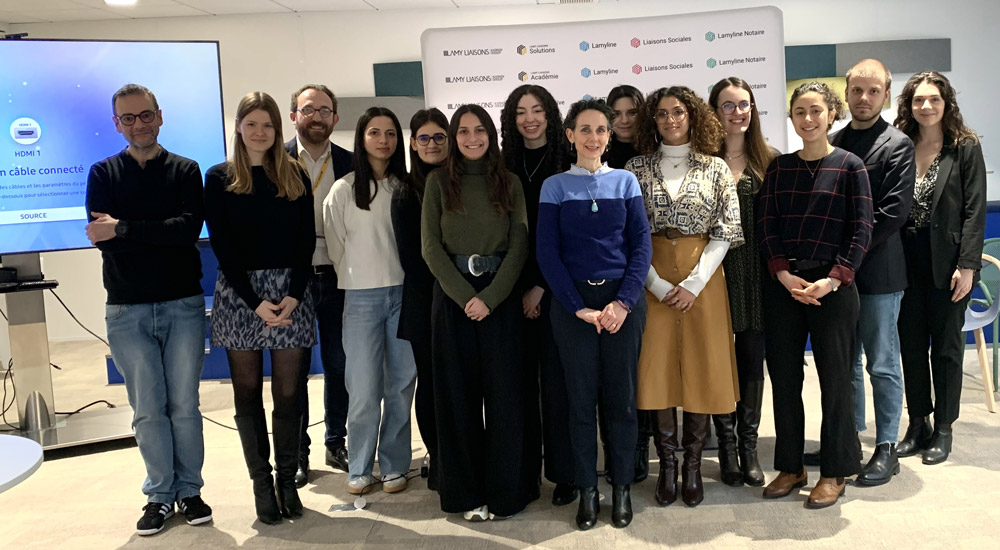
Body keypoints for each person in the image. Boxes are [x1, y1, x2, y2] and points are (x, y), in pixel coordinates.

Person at [85, 83, 212, 536]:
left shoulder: (185, 170)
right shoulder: (102, 173)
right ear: (116, 124)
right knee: (146, 410)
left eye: (145, 115)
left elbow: (186, 231)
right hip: (127, 308)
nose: (138, 124)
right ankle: (159, 495)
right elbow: (104, 237)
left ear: (160, 116)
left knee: (184, 406)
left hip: (183, 304)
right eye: (128, 118)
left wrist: (124, 229)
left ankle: (191, 491)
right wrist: (142, 232)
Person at [537, 98, 652, 530]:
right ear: (569, 135)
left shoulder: (626, 182)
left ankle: (621, 488)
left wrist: (622, 303)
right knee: (580, 403)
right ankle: (588, 489)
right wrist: (575, 306)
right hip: (573, 308)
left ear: (609, 135)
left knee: (621, 402)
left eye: (601, 130)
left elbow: (641, 247)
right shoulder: (554, 187)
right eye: (584, 129)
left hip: (623, 303)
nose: (594, 137)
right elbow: (547, 253)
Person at [626, 86, 743, 508]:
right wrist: (654, 284)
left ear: (693, 116)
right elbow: (628, 234)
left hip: (703, 280)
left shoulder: (715, 168)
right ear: (651, 121)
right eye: (661, 114)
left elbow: (727, 229)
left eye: (678, 112)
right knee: (655, 371)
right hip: (649, 276)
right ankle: (668, 467)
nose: (671, 119)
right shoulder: (635, 168)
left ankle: (693, 466)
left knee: (701, 368)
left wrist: (694, 283)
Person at [799, 60, 915, 486]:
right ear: (844, 94)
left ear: (885, 95)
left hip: (877, 274)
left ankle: (887, 447)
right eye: (856, 91)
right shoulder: (832, 141)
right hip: (835, 274)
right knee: (844, 364)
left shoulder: (898, 144)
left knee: (882, 363)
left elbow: (891, 214)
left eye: (873, 91)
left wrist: (848, 257)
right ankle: (845, 441)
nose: (863, 99)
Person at [758, 82, 872, 509]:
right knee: (785, 382)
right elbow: (767, 225)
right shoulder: (779, 168)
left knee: (836, 382)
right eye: (800, 112)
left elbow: (862, 229)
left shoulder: (850, 166)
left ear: (831, 114)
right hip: (785, 288)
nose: (808, 119)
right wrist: (784, 275)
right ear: (791, 118)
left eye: (816, 111)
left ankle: (835, 470)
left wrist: (834, 278)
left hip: (834, 289)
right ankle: (791, 466)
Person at [204, 91, 315, 525]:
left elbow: (306, 240)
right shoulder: (219, 177)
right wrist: (255, 304)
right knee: (246, 395)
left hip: (291, 291)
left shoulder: (295, 173)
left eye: (267, 125)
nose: (260, 132)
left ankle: (288, 481)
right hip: (239, 296)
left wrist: (293, 294)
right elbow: (223, 247)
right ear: (238, 127)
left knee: (289, 394)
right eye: (252, 124)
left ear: (278, 129)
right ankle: (262, 485)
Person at [421, 104, 529, 521]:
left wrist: (492, 297)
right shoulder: (437, 183)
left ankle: (506, 493)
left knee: (505, 401)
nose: (471, 138)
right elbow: (430, 247)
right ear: (453, 137)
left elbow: (519, 244)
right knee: (457, 402)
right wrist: (466, 296)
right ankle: (465, 493)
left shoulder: (510, 182)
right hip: (453, 300)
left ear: (491, 135)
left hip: (499, 301)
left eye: (478, 130)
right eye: (462, 131)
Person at [894, 71, 986, 465]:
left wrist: (967, 266)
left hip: (949, 265)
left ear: (946, 103)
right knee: (911, 346)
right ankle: (918, 423)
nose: (926, 106)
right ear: (909, 105)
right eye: (918, 100)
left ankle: (944, 427)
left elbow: (974, 211)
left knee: (946, 349)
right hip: (904, 262)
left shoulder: (964, 146)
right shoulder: (900, 144)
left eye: (933, 99)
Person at [323, 107, 417, 495]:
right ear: (361, 139)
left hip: (403, 295)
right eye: (375, 133)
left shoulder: (407, 187)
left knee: (400, 386)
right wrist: (359, 276)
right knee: (362, 389)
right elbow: (335, 247)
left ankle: (395, 465)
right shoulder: (343, 190)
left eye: (391, 133)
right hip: (360, 298)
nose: (384, 140)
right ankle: (360, 466)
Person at [499, 84, 575, 505]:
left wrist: (542, 287)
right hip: (510, 290)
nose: (529, 118)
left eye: (537, 110)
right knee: (518, 386)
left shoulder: (567, 162)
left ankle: (564, 473)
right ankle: (525, 473)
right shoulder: (501, 164)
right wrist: (520, 288)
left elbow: (569, 236)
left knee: (558, 388)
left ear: (550, 115)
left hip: (557, 288)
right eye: (521, 111)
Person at [707, 76, 777, 488]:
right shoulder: (701, 161)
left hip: (758, 277)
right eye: (728, 105)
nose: (738, 112)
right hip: (713, 275)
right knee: (719, 361)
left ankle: (749, 449)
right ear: (715, 112)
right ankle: (727, 450)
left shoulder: (772, 161)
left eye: (744, 104)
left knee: (752, 362)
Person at [285, 84, 354, 487]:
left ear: (335, 118)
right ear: (294, 116)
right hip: (292, 277)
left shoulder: (350, 162)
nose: (316, 116)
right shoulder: (275, 161)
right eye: (308, 109)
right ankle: (297, 453)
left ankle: (336, 440)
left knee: (339, 364)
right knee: (293, 371)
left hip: (338, 275)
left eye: (324, 110)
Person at [391, 107, 449, 491]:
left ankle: (460, 454)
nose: (432, 144)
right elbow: (414, 258)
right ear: (413, 143)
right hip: (425, 301)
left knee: (458, 385)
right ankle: (440, 458)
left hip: (463, 302)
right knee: (430, 385)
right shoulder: (405, 192)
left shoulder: (461, 182)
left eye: (439, 137)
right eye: (424, 138)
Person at [606, 84, 653, 482]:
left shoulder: (655, 156)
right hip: (614, 281)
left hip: (650, 273)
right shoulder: (598, 159)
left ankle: (645, 444)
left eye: (631, 112)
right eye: (615, 113)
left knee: (647, 368)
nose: (623, 120)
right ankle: (629, 450)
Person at [607, 84, 644, 170]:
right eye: (616, 114)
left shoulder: (657, 148)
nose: (625, 120)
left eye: (632, 113)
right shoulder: (598, 153)